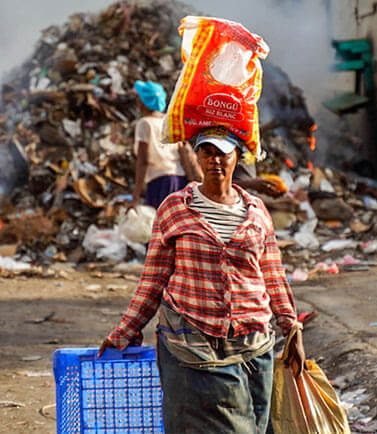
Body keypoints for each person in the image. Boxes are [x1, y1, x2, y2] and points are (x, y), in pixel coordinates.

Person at [99, 126, 305, 433]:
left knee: (258, 426)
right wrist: (126, 329)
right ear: (196, 157)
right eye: (207, 152)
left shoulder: (257, 211)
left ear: (238, 158)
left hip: (254, 345)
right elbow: (153, 279)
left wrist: (291, 328)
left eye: (224, 153)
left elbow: (272, 275)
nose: (215, 161)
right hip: (193, 345)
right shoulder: (175, 208)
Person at [131, 80, 190, 209]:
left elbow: (143, 161)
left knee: (160, 226)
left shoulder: (145, 123)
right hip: (180, 179)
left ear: (143, 102)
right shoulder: (170, 122)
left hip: (160, 181)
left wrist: (135, 198)